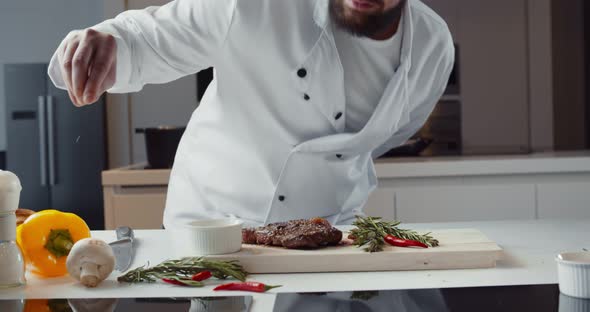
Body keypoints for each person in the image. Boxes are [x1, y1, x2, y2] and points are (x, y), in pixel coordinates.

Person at [48, 0, 454, 228]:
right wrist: (110, 42)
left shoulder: (432, 46)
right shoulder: (254, 4)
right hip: (216, 228)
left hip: (330, 231)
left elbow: (393, 132)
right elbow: (151, 36)